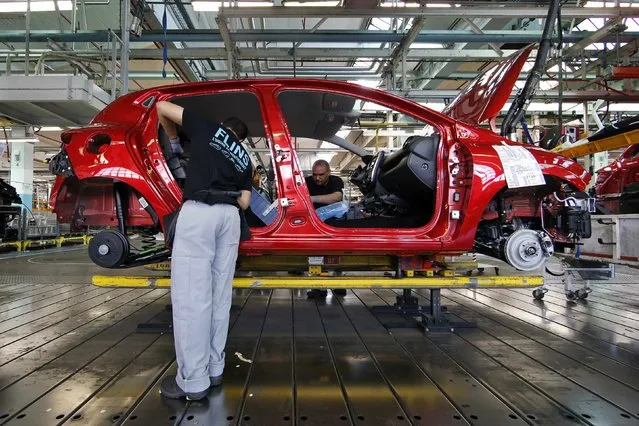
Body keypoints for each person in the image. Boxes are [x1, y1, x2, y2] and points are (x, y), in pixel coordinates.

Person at [155, 100, 252, 401]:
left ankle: (193, 382)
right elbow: (246, 203)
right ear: (243, 139)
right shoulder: (245, 159)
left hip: (200, 214)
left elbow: (161, 106)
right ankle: (214, 368)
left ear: (225, 125)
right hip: (230, 218)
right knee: (219, 297)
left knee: (191, 298)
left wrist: (173, 140)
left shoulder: (208, 128)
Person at [305, 159, 347, 299]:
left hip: (334, 223)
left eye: (321, 174)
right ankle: (319, 287)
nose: (317, 178)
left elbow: (337, 197)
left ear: (329, 172)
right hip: (314, 224)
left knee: (338, 255)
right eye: (315, 174)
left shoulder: (336, 180)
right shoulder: (307, 181)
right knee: (316, 256)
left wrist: (312, 198)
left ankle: (339, 284)